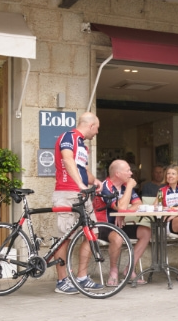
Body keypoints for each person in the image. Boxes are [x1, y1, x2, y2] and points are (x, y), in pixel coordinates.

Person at [52, 111, 103, 295]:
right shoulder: (69, 136)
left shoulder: (83, 146)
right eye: (97, 128)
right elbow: (67, 160)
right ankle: (62, 281)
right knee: (65, 237)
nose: (96, 132)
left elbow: (83, 170)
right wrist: (80, 185)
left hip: (82, 195)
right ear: (90, 125)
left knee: (92, 234)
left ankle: (82, 277)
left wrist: (94, 181)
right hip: (67, 192)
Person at [93, 159, 151, 286]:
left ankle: (129, 270)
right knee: (118, 238)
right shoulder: (104, 186)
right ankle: (113, 272)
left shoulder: (125, 186)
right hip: (103, 226)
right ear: (118, 174)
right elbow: (121, 207)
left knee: (146, 232)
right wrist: (130, 187)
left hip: (119, 226)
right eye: (128, 171)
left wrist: (123, 213)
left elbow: (138, 203)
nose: (131, 174)